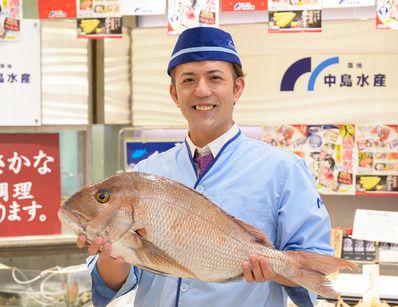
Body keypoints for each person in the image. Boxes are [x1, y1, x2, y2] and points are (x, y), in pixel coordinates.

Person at [77, 26, 334, 307]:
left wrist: (275, 268)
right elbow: (113, 283)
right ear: (174, 94)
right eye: (188, 80)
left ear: (237, 88)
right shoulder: (146, 173)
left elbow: (311, 265)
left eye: (215, 78)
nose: (201, 90)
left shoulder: (283, 170)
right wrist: (110, 254)